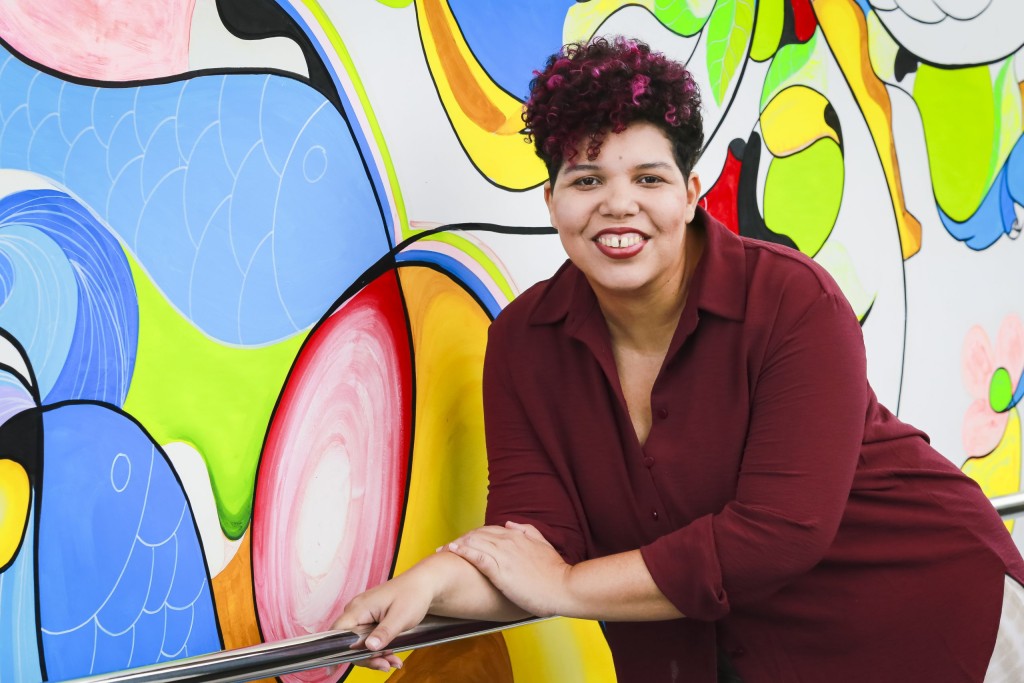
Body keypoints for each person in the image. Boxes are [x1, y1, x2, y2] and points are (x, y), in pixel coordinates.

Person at [334, 37, 1024, 681]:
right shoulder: (525, 340)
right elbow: (532, 546)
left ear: (691, 194)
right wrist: (428, 583)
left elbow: (778, 534)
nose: (618, 204)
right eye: (586, 180)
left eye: (649, 178)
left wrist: (568, 586)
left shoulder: (792, 301)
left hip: (935, 616)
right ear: (551, 201)